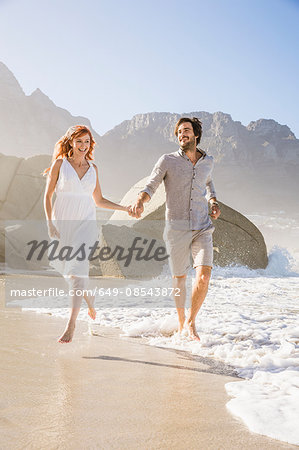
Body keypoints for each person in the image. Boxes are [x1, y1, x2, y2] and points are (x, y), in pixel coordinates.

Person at [129, 117, 221, 340]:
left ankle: (191, 322)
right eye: (179, 132)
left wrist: (213, 201)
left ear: (196, 134)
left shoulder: (207, 161)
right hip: (176, 228)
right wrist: (141, 201)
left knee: (204, 277)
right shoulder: (167, 160)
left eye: (186, 130)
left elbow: (208, 183)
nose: (182, 134)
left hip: (202, 226)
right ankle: (181, 324)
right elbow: (151, 184)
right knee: (179, 278)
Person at [44, 125, 130, 343]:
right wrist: (49, 224)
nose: (83, 146)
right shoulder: (60, 164)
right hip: (62, 224)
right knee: (71, 274)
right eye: (79, 141)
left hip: (86, 225)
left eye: (87, 142)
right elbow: (47, 196)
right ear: (71, 142)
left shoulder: (93, 168)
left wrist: (125, 208)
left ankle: (70, 325)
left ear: (91, 144)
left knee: (76, 272)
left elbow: (99, 200)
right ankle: (89, 300)